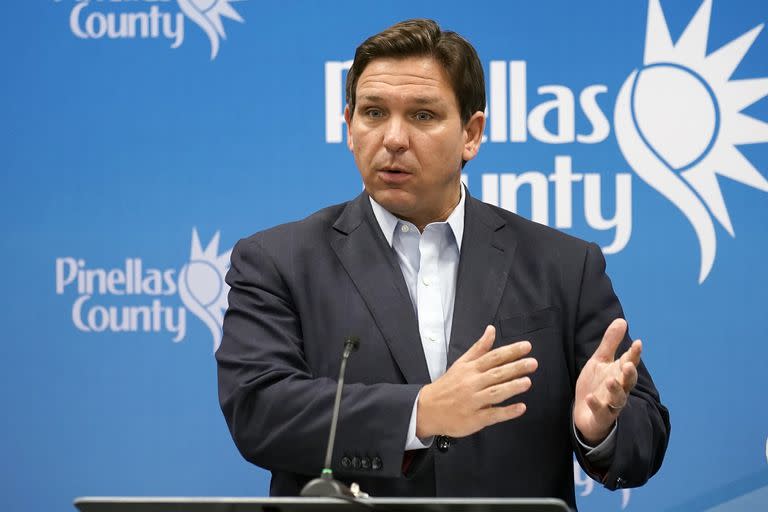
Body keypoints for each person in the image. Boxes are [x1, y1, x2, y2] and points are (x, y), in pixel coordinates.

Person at [216, 18, 670, 508]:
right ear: (349, 127)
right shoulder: (278, 261)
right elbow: (259, 410)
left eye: (423, 116)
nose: (392, 138)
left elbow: (644, 434)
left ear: (471, 134)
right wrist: (420, 412)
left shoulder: (564, 265)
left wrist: (599, 427)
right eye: (373, 113)